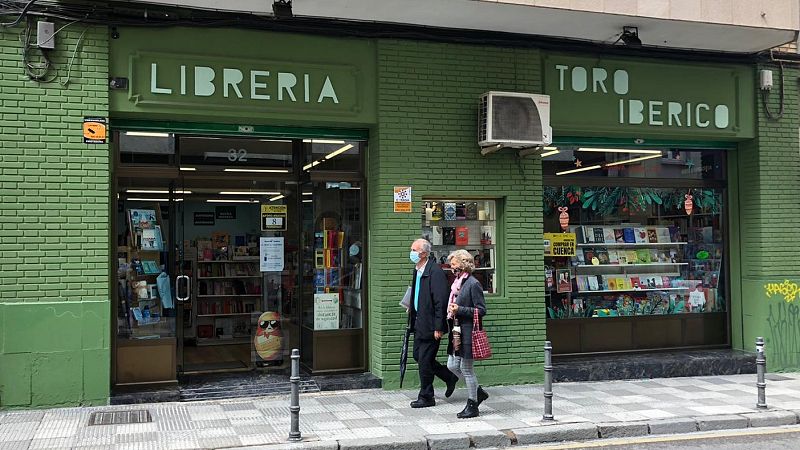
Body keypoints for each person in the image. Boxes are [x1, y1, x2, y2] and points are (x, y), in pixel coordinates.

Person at [408, 238, 458, 408]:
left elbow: (440, 301)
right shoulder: (418, 270)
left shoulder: (434, 272)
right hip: (418, 322)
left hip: (430, 325)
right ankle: (448, 376)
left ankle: (427, 396)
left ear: (423, 253)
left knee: (424, 361)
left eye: (414, 250)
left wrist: (439, 326)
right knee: (418, 356)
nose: (412, 253)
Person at [446, 249, 489, 418]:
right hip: (456, 331)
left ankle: (473, 405)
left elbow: (481, 310)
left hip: (468, 332)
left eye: (454, 264)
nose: (451, 267)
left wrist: (460, 309)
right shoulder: (458, 283)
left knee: (466, 368)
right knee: (452, 365)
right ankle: (478, 391)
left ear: (463, 265)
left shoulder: (473, 283)